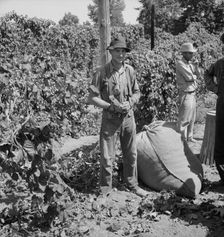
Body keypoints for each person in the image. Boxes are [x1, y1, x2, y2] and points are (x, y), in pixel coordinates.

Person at [87, 36, 148, 197]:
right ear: (111, 52)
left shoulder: (130, 70)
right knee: (107, 157)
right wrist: (109, 106)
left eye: (123, 51)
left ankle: (132, 184)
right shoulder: (102, 72)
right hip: (110, 120)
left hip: (128, 118)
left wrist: (131, 102)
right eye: (117, 51)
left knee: (131, 154)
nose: (120, 54)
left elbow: (137, 92)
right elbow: (91, 97)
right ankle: (105, 189)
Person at [204, 33, 224, 184]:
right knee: (221, 139)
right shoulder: (219, 64)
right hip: (223, 104)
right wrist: (215, 88)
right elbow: (207, 73)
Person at [176, 42, 201, 142]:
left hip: (193, 93)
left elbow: (198, 75)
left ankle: (190, 137)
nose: (192, 55)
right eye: (190, 53)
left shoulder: (189, 63)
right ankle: (182, 141)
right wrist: (194, 76)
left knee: (192, 118)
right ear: (184, 53)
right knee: (184, 119)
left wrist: (197, 67)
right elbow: (189, 77)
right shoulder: (180, 63)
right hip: (186, 94)